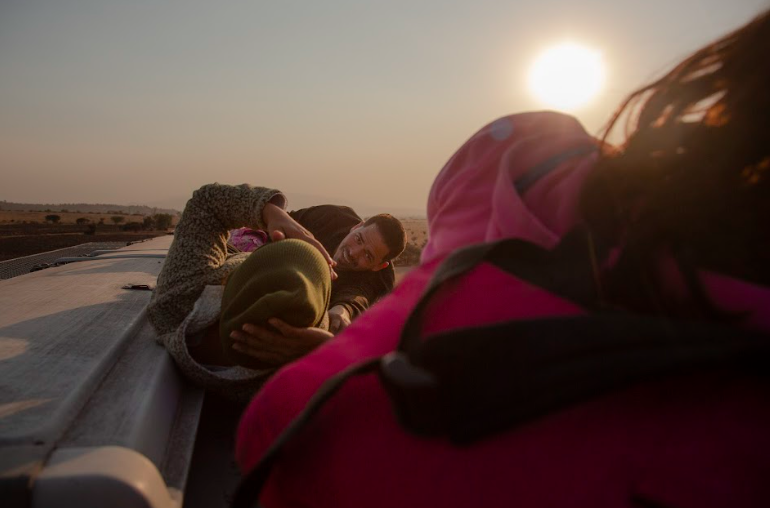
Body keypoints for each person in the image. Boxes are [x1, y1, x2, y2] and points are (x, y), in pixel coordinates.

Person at [235, 10, 770, 508]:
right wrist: (275, 215)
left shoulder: (484, 230)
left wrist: (328, 334)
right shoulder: (338, 221)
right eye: (356, 238)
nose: (352, 247)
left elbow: (289, 403)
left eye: (365, 250)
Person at [146, 183, 406, 399]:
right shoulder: (296, 358)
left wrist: (268, 210)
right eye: (359, 240)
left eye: (367, 256)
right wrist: (328, 351)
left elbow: (358, 293)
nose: (353, 253)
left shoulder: (180, 297)